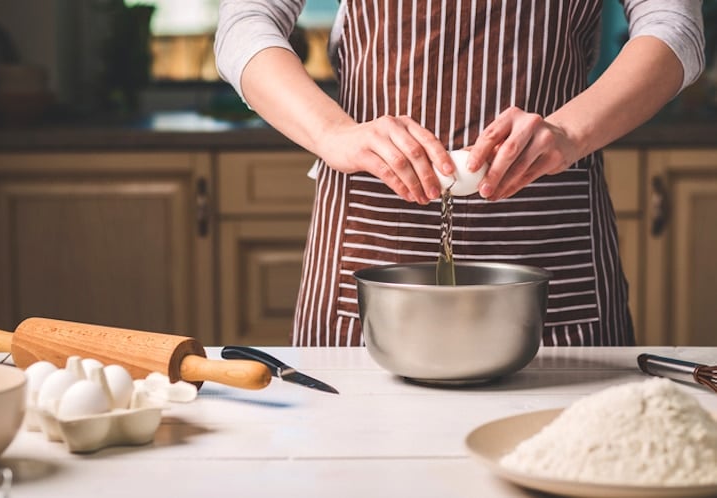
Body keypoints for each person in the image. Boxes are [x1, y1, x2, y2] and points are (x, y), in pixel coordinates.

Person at [215, 1, 705, 347]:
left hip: (553, 257)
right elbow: (244, 20)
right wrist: (331, 133)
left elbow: (674, 26)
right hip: (369, 246)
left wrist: (569, 133)